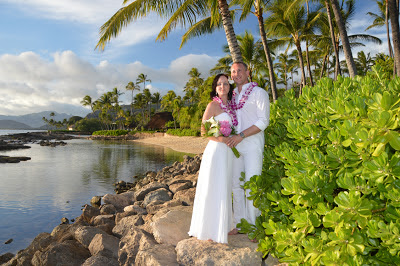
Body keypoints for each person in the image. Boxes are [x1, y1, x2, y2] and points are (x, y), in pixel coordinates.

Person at [188, 73, 236, 243]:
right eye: (219, 84)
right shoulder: (213, 105)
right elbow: (203, 131)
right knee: (213, 186)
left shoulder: (230, 106)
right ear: (215, 88)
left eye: (225, 83)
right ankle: (209, 229)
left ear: (229, 87)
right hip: (216, 150)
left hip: (227, 152)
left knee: (224, 186)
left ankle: (223, 226)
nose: (223, 86)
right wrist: (222, 138)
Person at [227, 62, 270, 235]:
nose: (236, 74)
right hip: (234, 146)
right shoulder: (231, 96)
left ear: (247, 72)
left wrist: (241, 135)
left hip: (252, 144)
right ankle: (240, 224)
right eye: (233, 71)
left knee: (252, 185)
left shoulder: (259, 93)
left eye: (239, 70)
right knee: (236, 185)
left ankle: (253, 227)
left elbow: (263, 121)